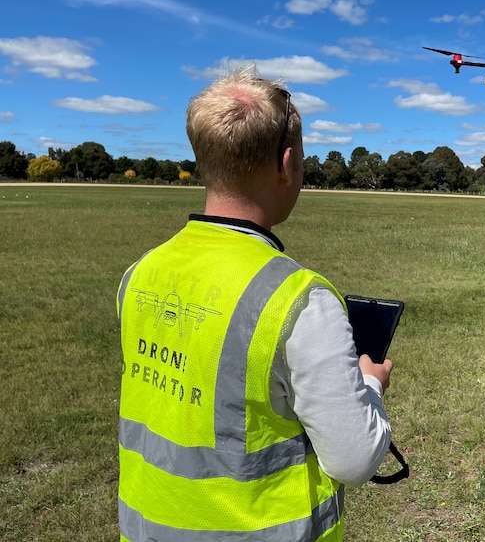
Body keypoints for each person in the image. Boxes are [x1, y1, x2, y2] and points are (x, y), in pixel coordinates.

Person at [116, 65, 393, 541]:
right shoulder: (301, 301)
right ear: (286, 165)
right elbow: (354, 459)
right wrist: (370, 384)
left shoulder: (140, 272)